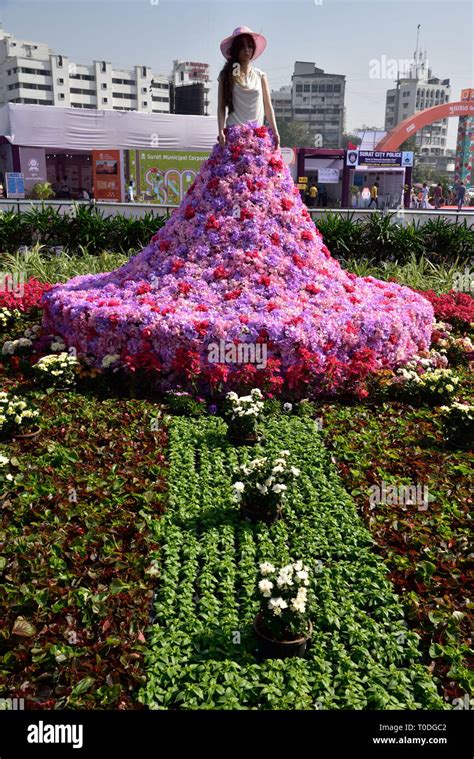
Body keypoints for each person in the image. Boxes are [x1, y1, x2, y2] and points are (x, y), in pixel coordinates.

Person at [42, 26, 435, 401]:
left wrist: (277, 134)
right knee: (218, 204)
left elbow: (266, 108)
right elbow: (223, 109)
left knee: (273, 210)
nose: (246, 51)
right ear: (234, 51)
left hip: (260, 143)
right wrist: (220, 132)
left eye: (249, 46)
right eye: (241, 46)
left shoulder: (261, 75)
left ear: (253, 50)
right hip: (233, 143)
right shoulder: (226, 77)